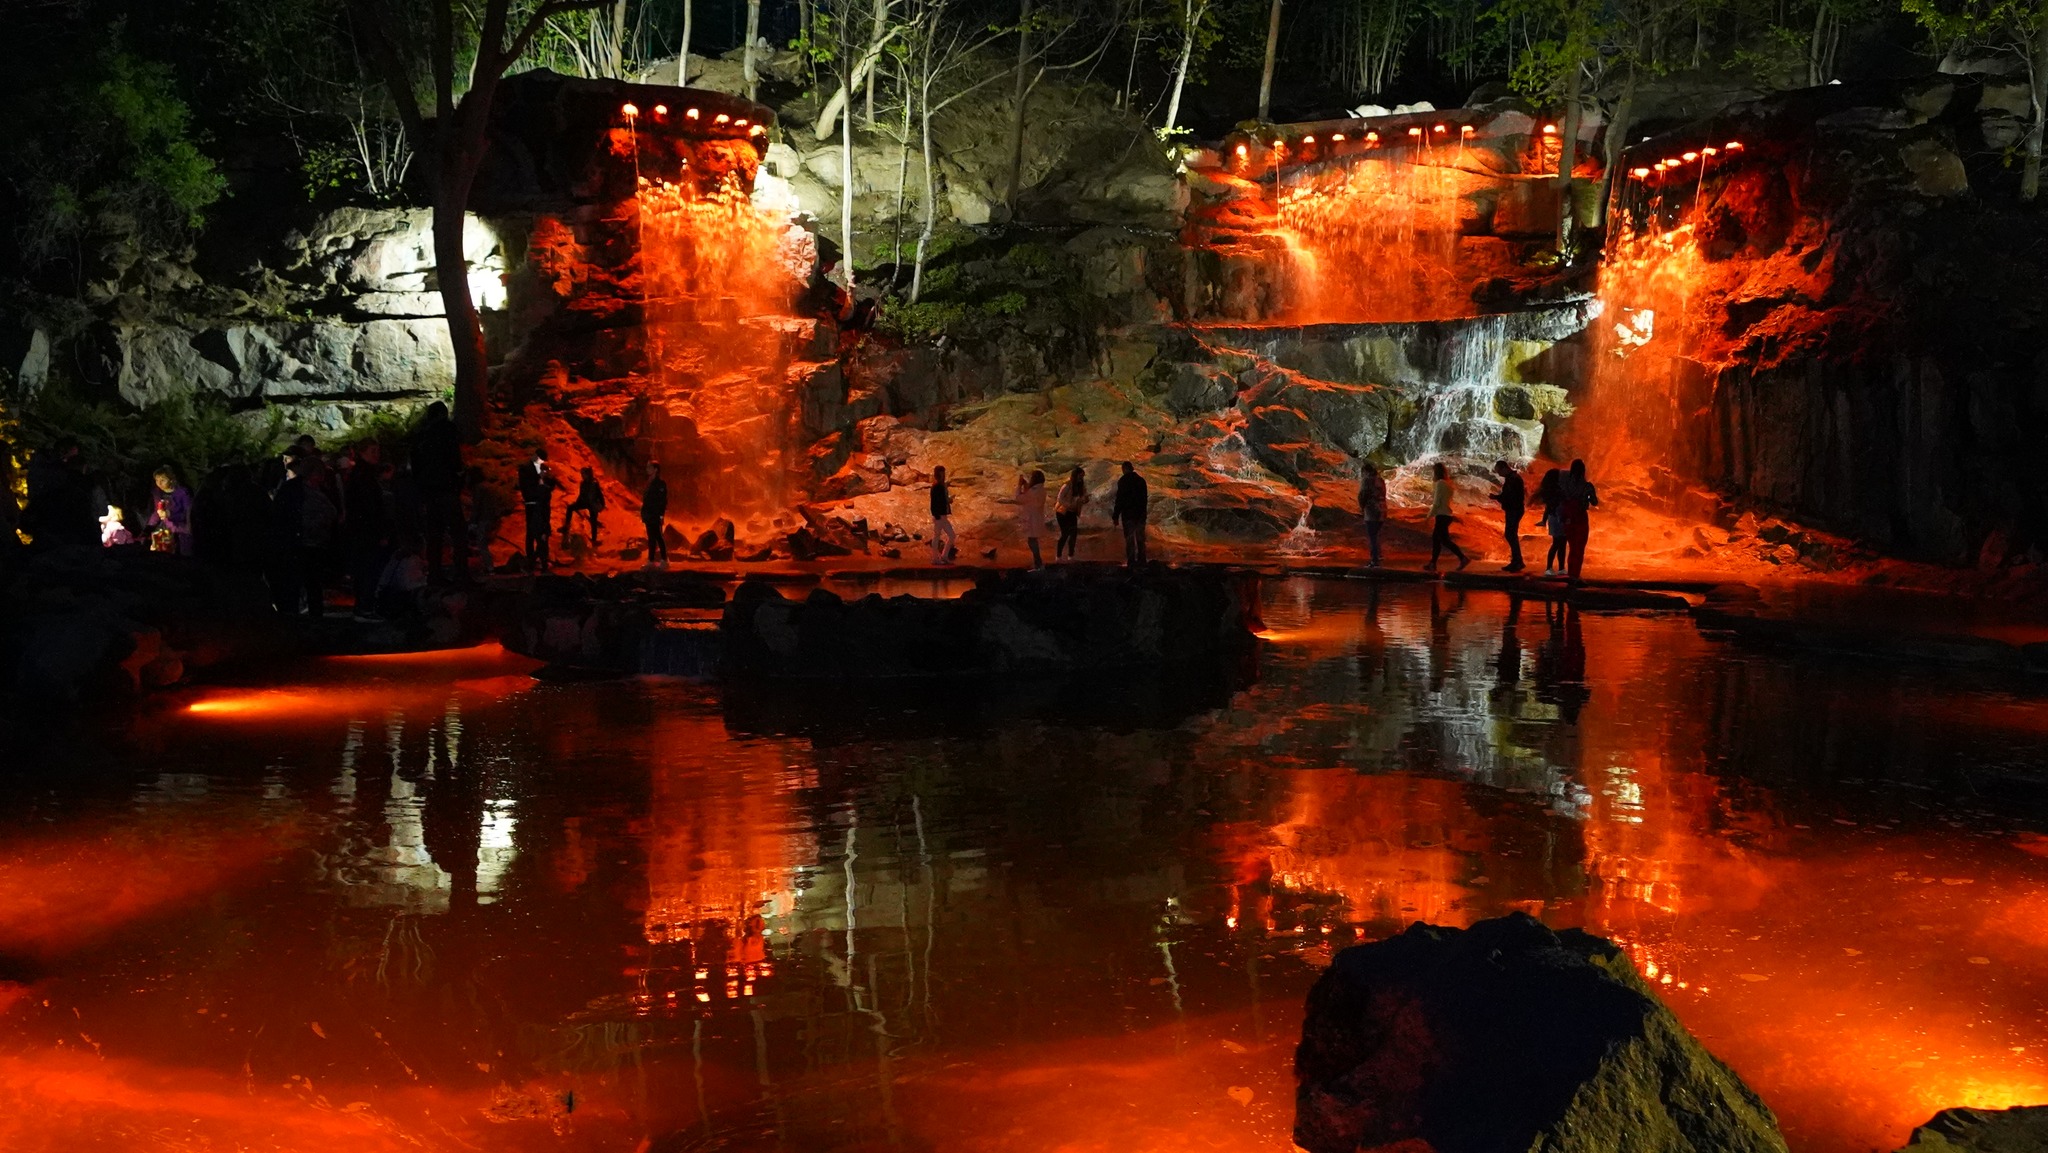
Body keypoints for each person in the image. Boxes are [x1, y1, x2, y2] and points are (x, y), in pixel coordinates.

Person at [408, 401, 468, 582]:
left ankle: (435, 573)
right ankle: (461, 572)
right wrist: (458, 475)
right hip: (446, 486)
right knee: (458, 531)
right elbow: (454, 457)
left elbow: (415, 463)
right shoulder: (447, 429)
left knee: (434, 533)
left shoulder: (420, 435)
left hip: (428, 490)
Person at [1557, 458, 1599, 580]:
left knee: (1571, 546)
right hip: (1580, 516)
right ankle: (1575, 574)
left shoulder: (1566, 485)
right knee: (1579, 547)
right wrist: (1590, 497)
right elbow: (1595, 502)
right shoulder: (1587, 486)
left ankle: (1571, 573)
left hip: (1568, 517)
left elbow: (1562, 499)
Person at [516, 447, 558, 570]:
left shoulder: (531, 467)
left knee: (533, 532)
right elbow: (529, 486)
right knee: (538, 532)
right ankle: (535, 559)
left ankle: (533, 559)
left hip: (534, 502)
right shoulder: (528, 468)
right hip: (535, 503)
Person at [1423, 461, 1469, 573]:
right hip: (1446, 514)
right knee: (1437, 539)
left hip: (1442, 515)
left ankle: (1463, 558)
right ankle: (1432, 563)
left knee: (1443, 540)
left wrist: (1428, 516)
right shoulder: (1448, 484)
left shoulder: (1440, 483)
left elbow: (1437, 502)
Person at [146, 467, 194, 556]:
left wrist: (170, 514)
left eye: (163, 480)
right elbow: (157, 512)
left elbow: (189, 513)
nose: (159, 483)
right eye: (157, 480)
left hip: (180, 530)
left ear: (171, 480)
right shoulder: (157, 493)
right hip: (164, 530)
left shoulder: (183, 493)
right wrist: (149, 526)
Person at [1489, 460, 1526, 573]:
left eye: (1499, 471)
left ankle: (1517, 561)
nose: (1499, 474)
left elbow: (1510, 496)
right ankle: (1516, 561)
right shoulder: (1513, 478)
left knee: (1510, 534)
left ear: (1504, 468)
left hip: (1514, 509)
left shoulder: (1512, 479)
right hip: (1514, 509)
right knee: (1511, 534)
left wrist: (1497, 498)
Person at [1111, 460, 1149, 567]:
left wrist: (1115, 515)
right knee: (1140, 538)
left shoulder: (1123, 481)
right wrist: (1143, 513)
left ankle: (1131, 561)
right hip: (1140, 514)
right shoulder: (1141, 481)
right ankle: (1142, 560)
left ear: (1124, 469)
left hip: (1128, 514)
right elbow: (1144, 499)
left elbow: (1120, 500)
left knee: (1129, 538)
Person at [561, 465, 605, 549]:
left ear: (587, 474)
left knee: (593, 521)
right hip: (584, 502)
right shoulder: (583, 483)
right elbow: (581, 495)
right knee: (570, 507)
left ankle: (594, 540)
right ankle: (566, 526)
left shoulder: (594, 483)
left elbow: (599, 494)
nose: (582, 476)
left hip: (592, 504)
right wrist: (577, 503)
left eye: (583, 474)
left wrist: (602, 504)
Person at [1534, 467, 1567, 575]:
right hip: (1557, 518)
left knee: (1560, 543)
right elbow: (1551, 507)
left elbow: (1548, 508)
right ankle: (1550, 567)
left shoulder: (1550, 490)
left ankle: (1560, 568)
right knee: (1558, 543)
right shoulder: (1556, 490)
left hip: (1555, 518)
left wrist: (1544, 520)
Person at [1015, 470, 1047, 570]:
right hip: (1037, 518)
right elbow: (1031, 493)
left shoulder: (1033, 492)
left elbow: (1019, 498)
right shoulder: (1042, 490)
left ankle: (1038, 563)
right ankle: (1038, 563)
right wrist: (1026, 485)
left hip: (1031, 519)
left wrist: (1019, 485)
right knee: (1033, 540)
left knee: (1032, 541)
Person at [1358, 461, 1387, 567]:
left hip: (1371, 511)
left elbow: (1362, 495)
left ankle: (1374, 560)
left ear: (1365, 472)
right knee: (1377, 535)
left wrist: (1361, 508)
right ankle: (1378, 555)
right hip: (1382, 510)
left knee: (1372, 536)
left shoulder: (1367, 480)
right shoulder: (1381, 481)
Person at [641, 462, 670, 568]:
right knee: (651, 537)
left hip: (655, 514)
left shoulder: (660, 483)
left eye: (649, 467)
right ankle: (651, 560)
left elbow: (662, 501)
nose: (647, 469)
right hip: (648, 514)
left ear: (656, 469)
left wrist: (661, 516)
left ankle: (664, 559)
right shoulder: (648, 483)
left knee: (658, 536)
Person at [929, 465, 957, 564]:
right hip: (939, 516)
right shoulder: (937, 486)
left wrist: (948, 500)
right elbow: (934, 502)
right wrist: (936, 514)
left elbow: (941, 500)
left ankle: (941, 557)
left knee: (947, 535)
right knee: (940, 536)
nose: (943, 476)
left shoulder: (940, 485)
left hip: (942, 516)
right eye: (942, 473)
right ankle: (936, 558)